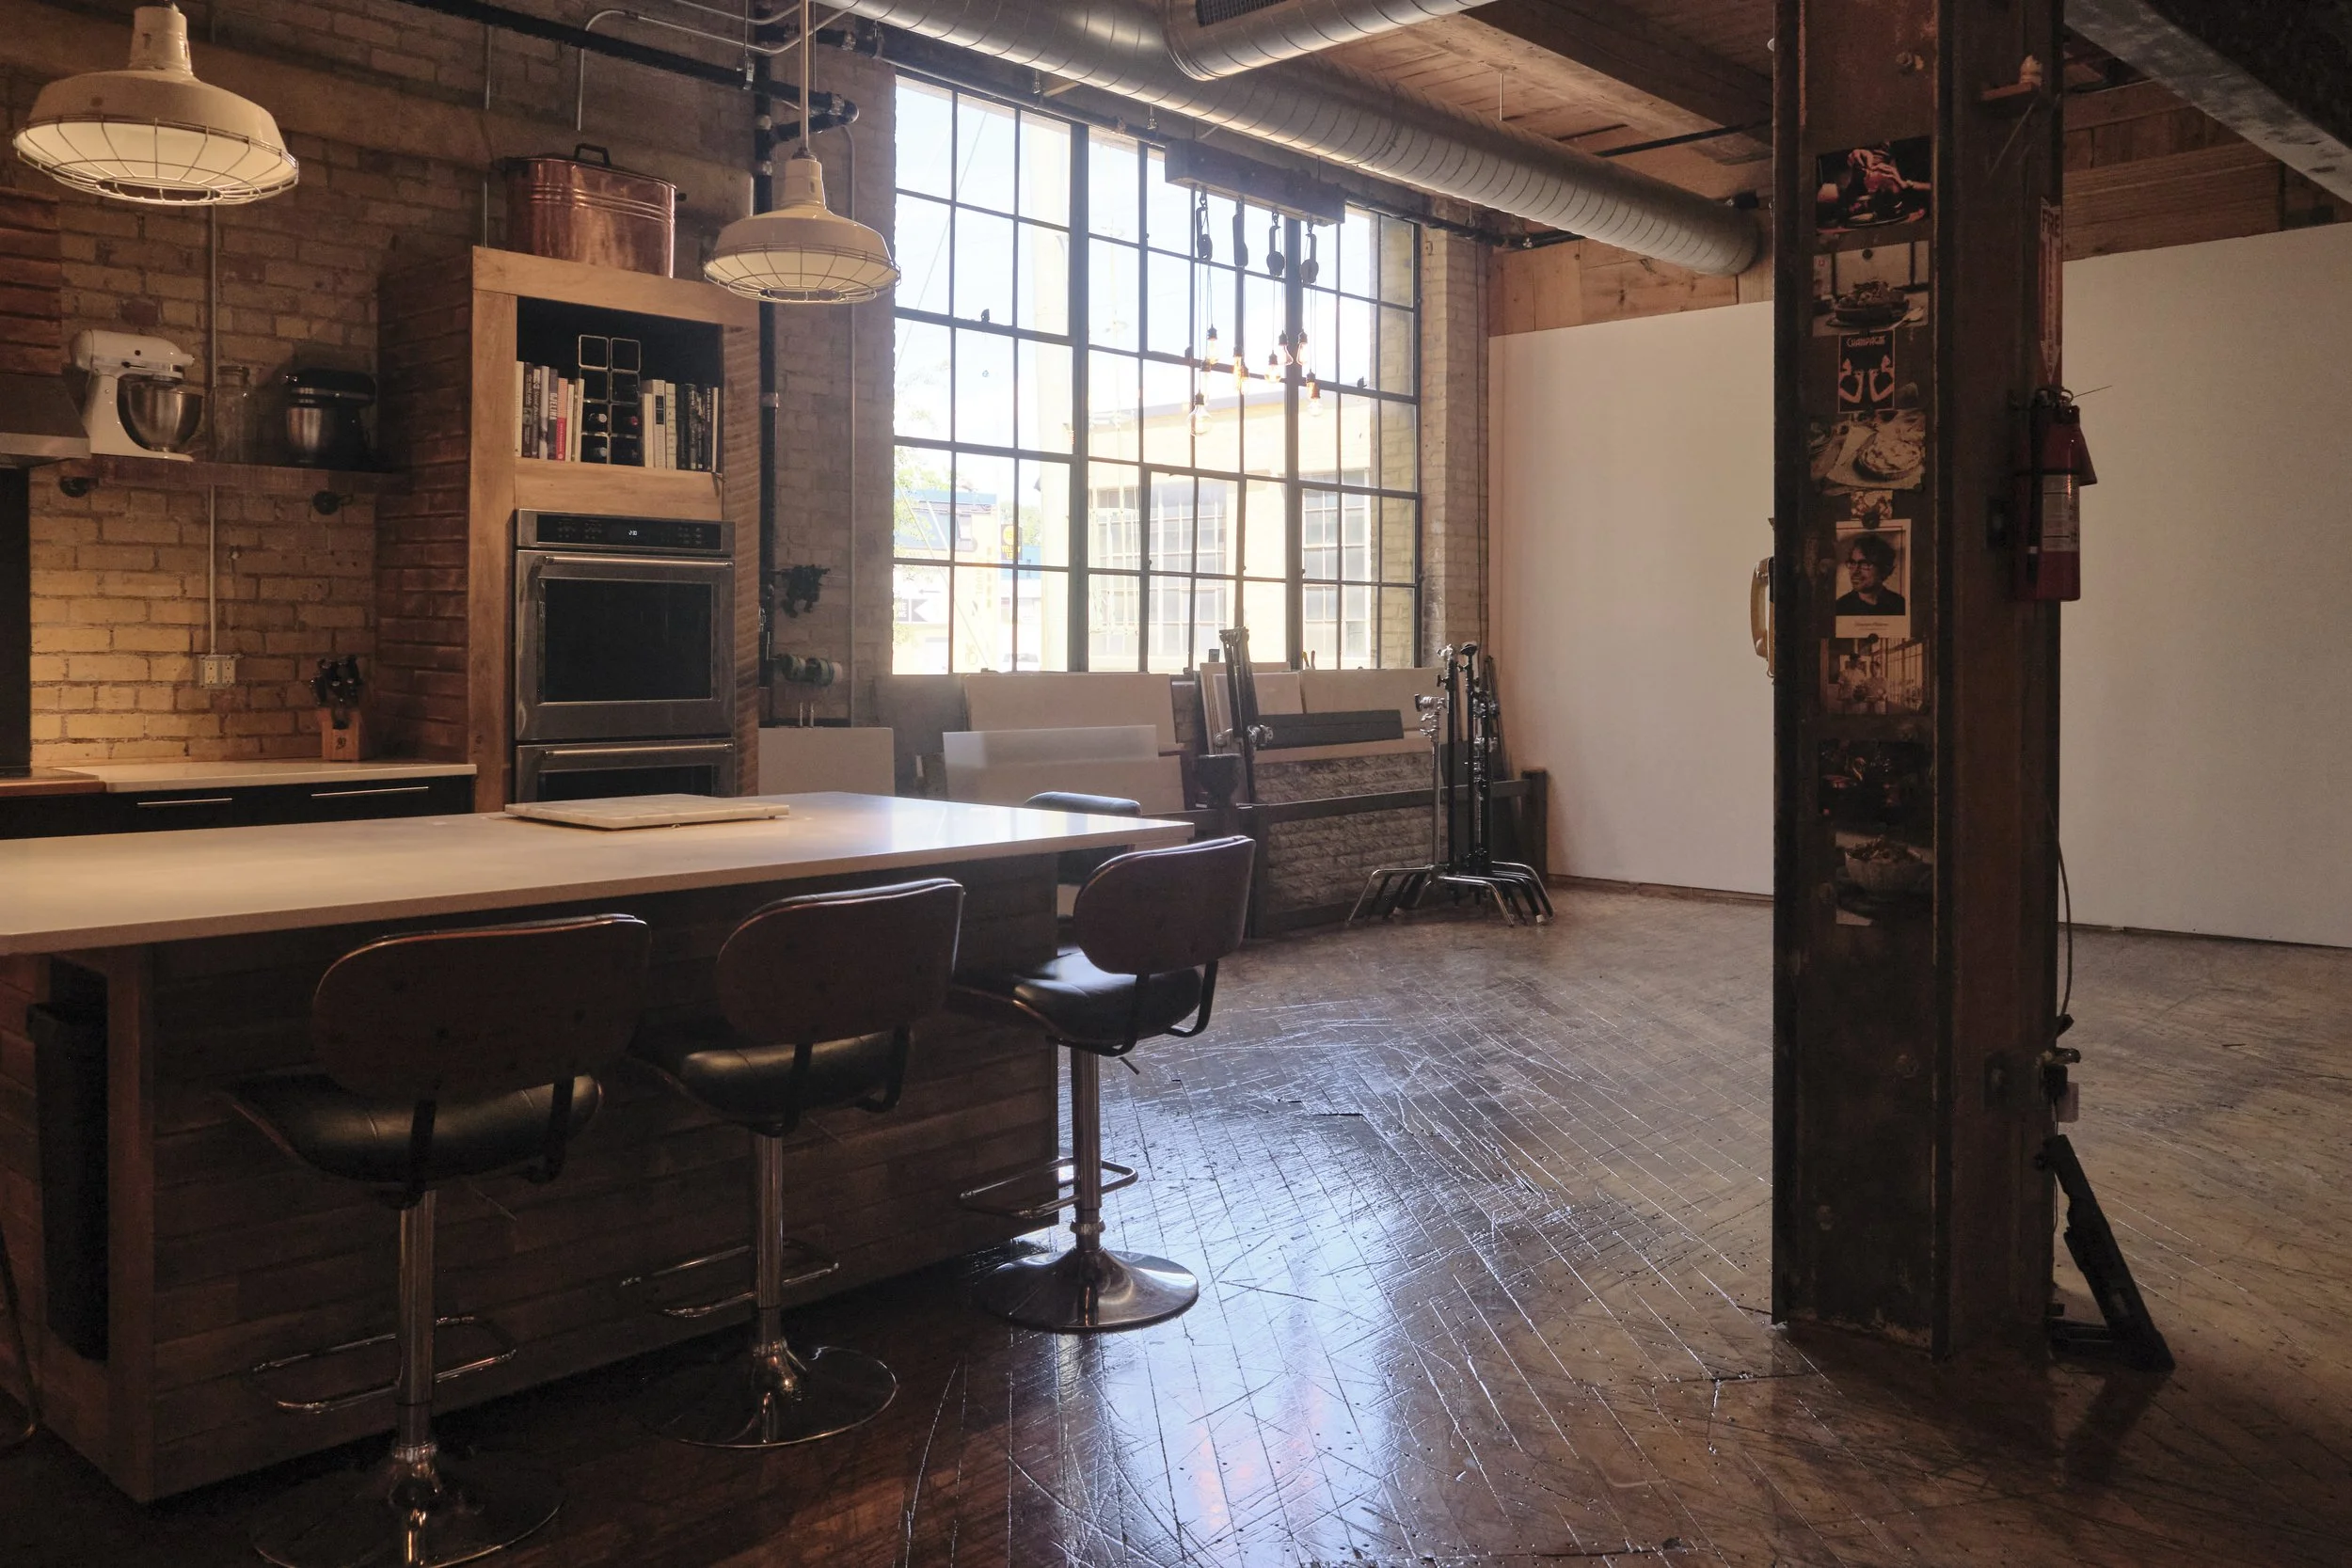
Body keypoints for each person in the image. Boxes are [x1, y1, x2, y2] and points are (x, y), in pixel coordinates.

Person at [1836, 532, 1907, 617]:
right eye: (1852, 563)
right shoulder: (1840, 607)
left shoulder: (1900, 605)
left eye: (1865, 564)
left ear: (1883, 569)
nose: (1855, 571)